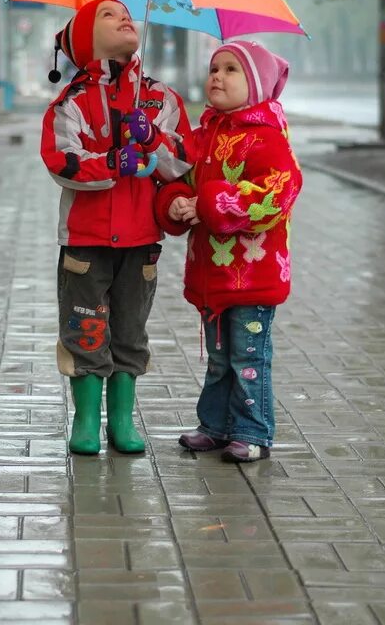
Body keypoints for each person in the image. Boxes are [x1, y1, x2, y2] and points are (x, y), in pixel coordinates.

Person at [41, 0, 195, 456]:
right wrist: (114, 160)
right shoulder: (72, 102)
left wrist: (153, 139)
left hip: (141, 240)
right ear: (86, 39)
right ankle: (86, 420)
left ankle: (122, 420)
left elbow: (183, 161)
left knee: (130, 331)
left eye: (127, 12)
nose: (125, 17)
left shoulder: (161, 98)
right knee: (85, 329)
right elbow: (62, 160)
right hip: (86, 242)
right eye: (109, 14)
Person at [154, 40, 303, 463]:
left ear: (255, 85)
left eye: (231, 69)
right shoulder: (205, 135)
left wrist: (210, 204)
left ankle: (253, 431)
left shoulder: (266, 138)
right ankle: (215, 426)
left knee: (248, 357)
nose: (217, 76)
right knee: (220, 359)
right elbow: (182, 177)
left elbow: (279, 192)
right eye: (214, 68)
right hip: (212, 273)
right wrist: (178, 202)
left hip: (253, 275)